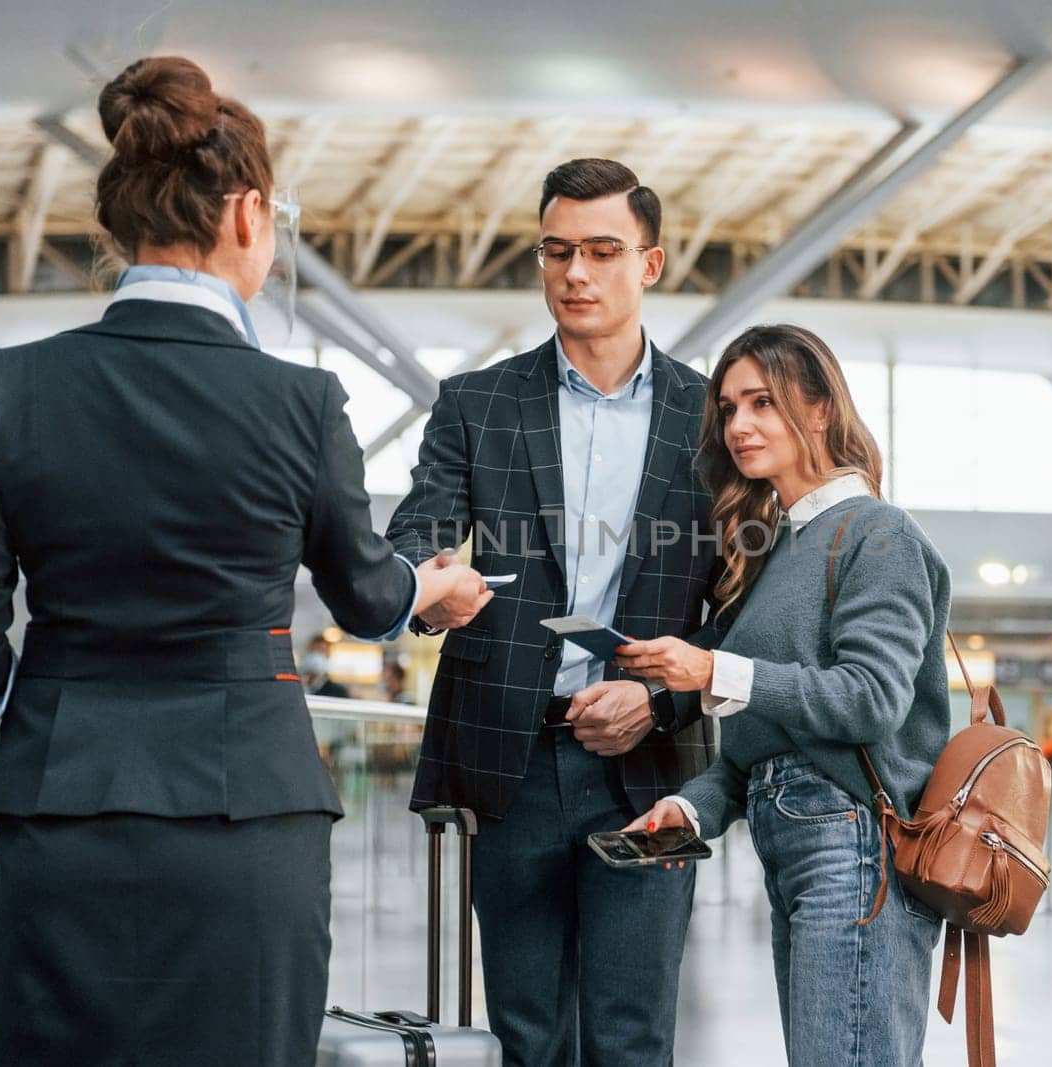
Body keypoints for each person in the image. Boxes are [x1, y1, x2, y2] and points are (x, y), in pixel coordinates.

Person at [0, 56, 489, 1066]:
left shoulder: (10, 388)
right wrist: (426, 593)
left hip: (58, 815)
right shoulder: (300, 404)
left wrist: (26, 698)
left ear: (122, 222)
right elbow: (366, 593)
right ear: (248, 215)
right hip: (248, 816)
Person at [386, 158, 719, 1066]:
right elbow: (421, 524)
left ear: (649, 265)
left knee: (633, 1033)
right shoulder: (477, 402)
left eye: (602, 251)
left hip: (651, 765)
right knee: (526, 1036)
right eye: (557, 251)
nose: (575, 273)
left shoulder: (711, 415)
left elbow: (736, 604)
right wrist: (429, 574)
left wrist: (664, 697)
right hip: (513, 755)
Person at [617, 324, 951, 1067]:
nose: (739, 426)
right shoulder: (777, 555)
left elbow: (869, 701)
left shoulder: (877, 533)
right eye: (729, 408)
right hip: (797, 849)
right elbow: (760, 746)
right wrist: (692, 806)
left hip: (856, 847)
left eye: (762, 402)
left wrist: (712, 671)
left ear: (822, 408)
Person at [303, 633, 351, 698]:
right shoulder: (296, 685)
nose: (316, 656)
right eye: (314, 650)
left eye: (321, 651)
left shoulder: (338, 692)